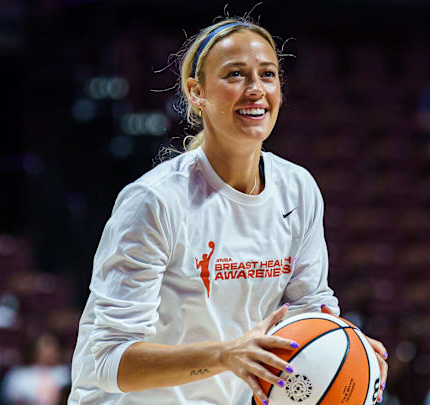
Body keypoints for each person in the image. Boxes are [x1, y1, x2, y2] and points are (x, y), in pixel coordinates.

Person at [69, 17, 388, 405]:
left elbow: (308, 307)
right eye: (235, 74)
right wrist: (224, 355)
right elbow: (103, 363)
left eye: (267, 74)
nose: (256, 90)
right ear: (196, 93)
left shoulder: (298, 188)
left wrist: (346, 345)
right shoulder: (155, 200)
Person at [1, 333, 70, 405]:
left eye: (51, 347)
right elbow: (9, 397)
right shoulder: (18, 374)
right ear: (35, 350)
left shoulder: (64, 373)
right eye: (45, 346)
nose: (48, 352)